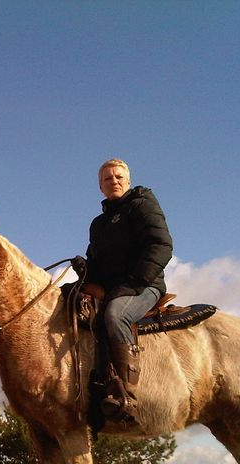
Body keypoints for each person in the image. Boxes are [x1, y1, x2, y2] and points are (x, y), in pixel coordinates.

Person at [72, 159, 173, 424]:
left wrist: (137, 280)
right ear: (100, 187)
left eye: (118, 177)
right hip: (113, 287)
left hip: (144, 285)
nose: (113, 181)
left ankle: (126, 396)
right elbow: (97, 263)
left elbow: (161, 245)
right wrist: (85, 270)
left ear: (127, 181)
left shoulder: (142, 205)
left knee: (116, 315)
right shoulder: (98, 224)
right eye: (107, 179)